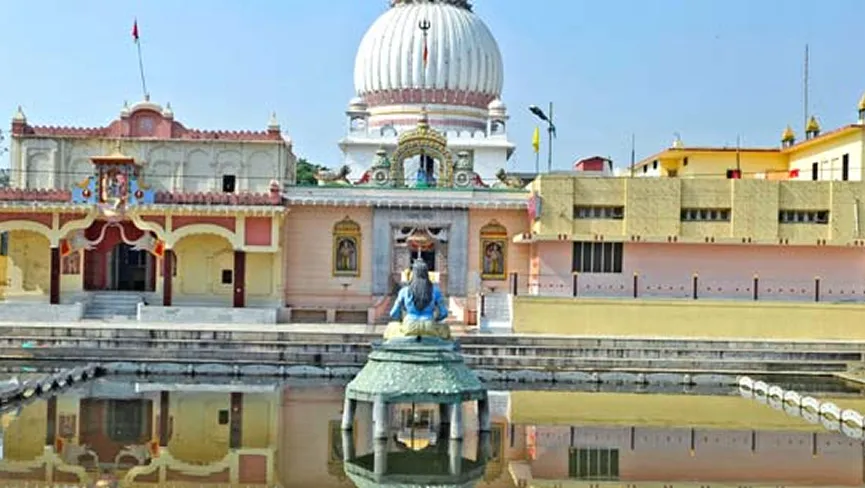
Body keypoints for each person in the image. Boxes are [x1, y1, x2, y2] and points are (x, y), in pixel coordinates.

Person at [386, 259, 450, 339]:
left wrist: (401, 319)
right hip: (429, 326)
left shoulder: (404, 291)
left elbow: (393, 313)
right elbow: (444, 313)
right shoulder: (435, 291)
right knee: (444, 328)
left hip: (409, 325)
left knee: (392, 327)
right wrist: (436, 319)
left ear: (413, 274)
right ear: (426, 274)